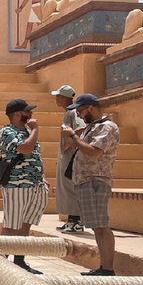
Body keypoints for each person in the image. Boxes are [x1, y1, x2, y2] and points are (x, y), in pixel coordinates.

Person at [61, 94, 120, 276]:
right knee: (96, 226)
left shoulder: (106, 127)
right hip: (86, 181)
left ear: (91, 108)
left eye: (81, 111)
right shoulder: (91, 128)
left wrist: (73, 137)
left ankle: (108, 268)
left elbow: (94, 153)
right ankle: (104, 267)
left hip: (96, 181)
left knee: (101, 225)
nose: (79, 115)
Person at [0, 99, 49, 275]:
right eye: (27, 112)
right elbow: (25, 149)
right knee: (11, 225)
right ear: (17, 114)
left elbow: (34, 155)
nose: (31, 115)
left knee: (25, 225)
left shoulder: (26, 131)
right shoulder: (7, 132)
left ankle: (19, 261)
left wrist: (43, 177)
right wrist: (35, 129)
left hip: (35, 185)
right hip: (17, 185)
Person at [52, 85, 85, 233]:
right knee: (65, 187)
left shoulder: (73, 112)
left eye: (58, 96)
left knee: (71, 187)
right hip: (66, 157)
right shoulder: (68, 113)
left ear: (64, 97)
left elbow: (81, 128)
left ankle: (77, 221)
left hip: (71, 157)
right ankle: (71, 220)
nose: (56, 99)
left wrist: (69, 144)